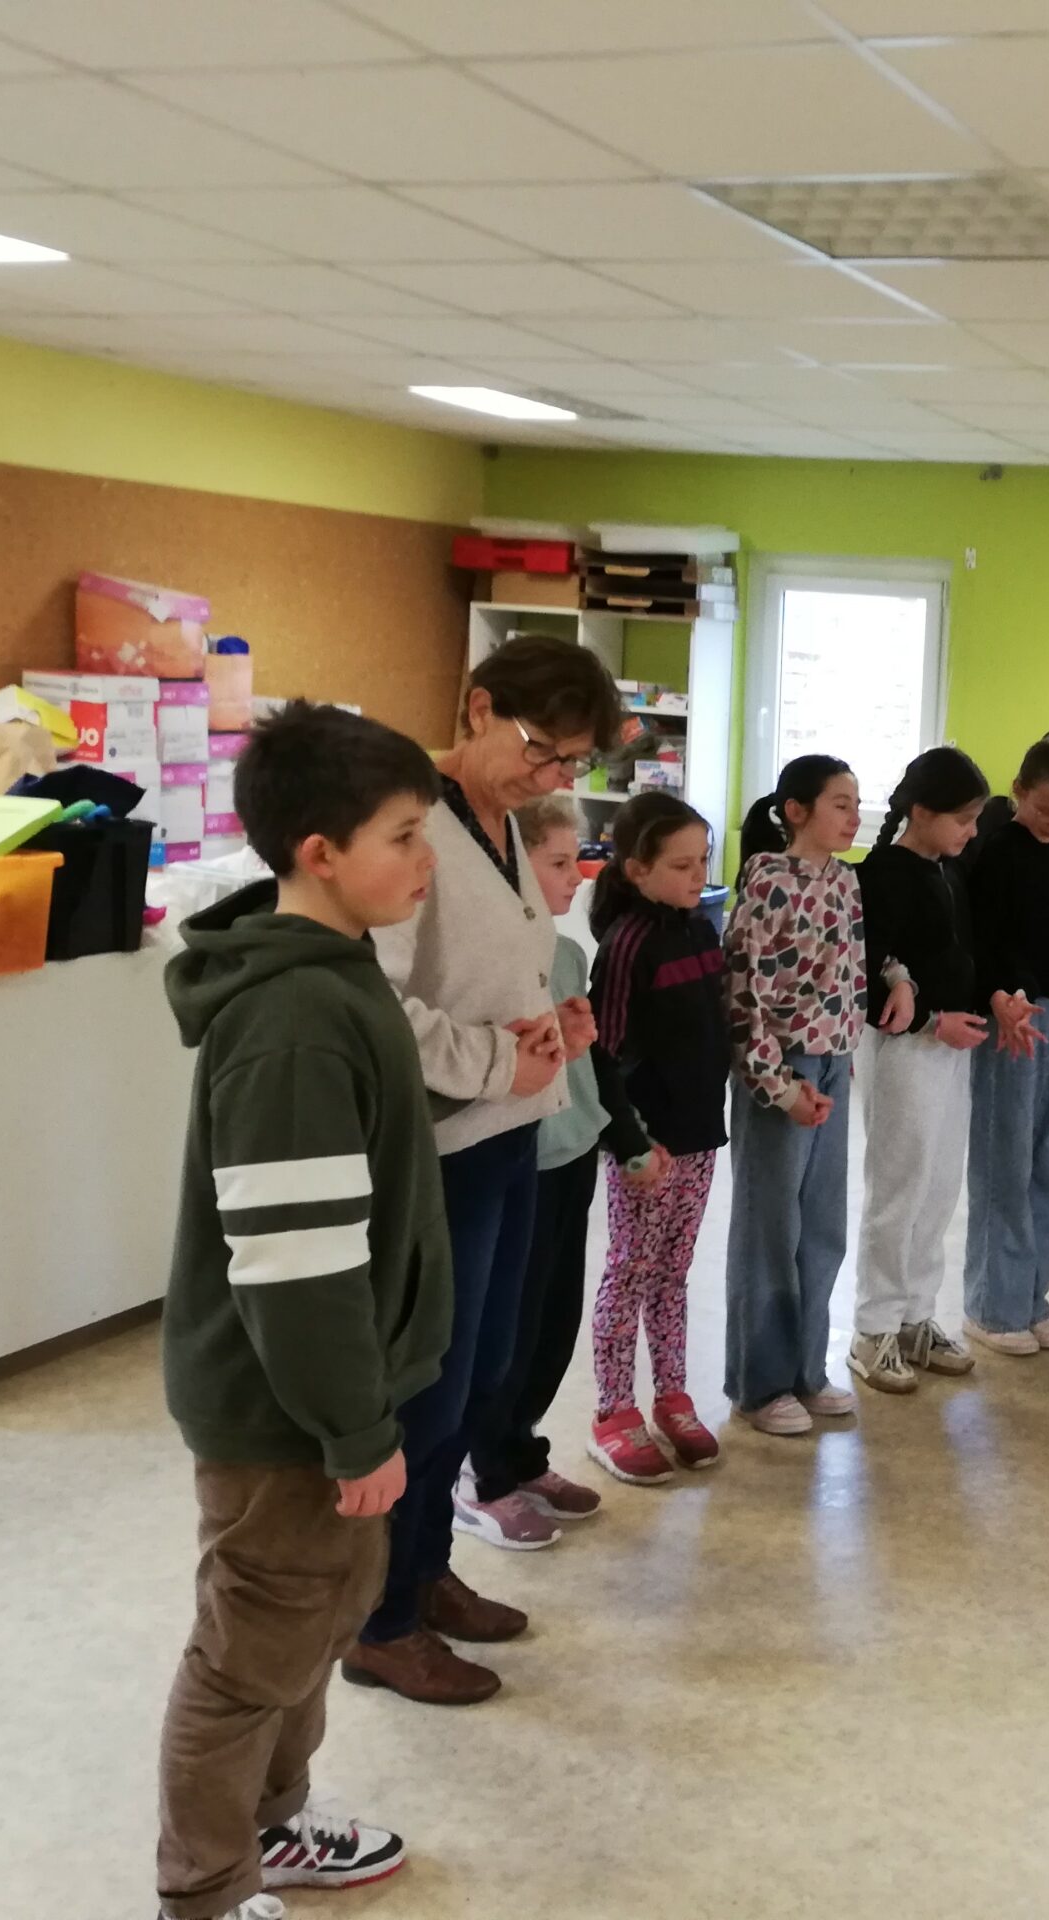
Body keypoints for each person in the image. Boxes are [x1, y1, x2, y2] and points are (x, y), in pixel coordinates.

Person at [154, 703, 444, 1920]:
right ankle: (205, 1892)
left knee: (316, 1624)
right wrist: (352, 1428)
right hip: (288, 1412)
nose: (426, 861)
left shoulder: (336, 973)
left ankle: (274, 1827)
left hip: (333, 1397)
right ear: (319, 853)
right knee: (248, 1658)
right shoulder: (291, 1022)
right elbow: (295, 1265)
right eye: (403, 837)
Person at [345, 635, 617, 1706]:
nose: (550, 776)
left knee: (482, 1370)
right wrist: (501, 1059)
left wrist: (553, 1024)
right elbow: (381, 1004)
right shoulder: (410, 824)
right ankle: (383, 1621)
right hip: (443, 1150)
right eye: (541, 748)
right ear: (477, 708)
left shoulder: (500, 820)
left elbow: (492, 974)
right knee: (431, 1386)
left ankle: (427, 1572)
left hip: (508, 1135)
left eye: (572, 764)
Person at [462, 795, 610, 1523]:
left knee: (553, 1322)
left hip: (572, 1150)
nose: (575, 876)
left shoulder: (569, 955)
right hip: (520, 1155)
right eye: (557, 862)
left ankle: (522, 1451)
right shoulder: (485, 960)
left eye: (574, 859)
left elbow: (584, 1065)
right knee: (507, 1332)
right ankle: (482, 1476)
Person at [584, 792, 729, 1484]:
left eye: (703, 860)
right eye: (680, 864)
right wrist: (630, 1143)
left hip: (699, 1138)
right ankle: (613, 1411)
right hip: (647, 1149)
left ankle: (673, 1395)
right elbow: (602, 1055)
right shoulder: (627, 944)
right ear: (637, 869)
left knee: (673, 1273)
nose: (697, 875)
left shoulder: (700, 930)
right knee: (630, 1272)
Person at [724, 754, 866, 1435]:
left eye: (857, 804)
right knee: (770, 1229)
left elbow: (851, 973)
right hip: (781, 1070)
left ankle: (809, 1369)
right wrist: (779, 1088)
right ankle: (761, 1384)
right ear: (796, 810)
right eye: (841, 803)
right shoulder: (766, 881)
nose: (854, 817)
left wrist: (846, 1050)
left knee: (822, 1226)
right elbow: (742, 995)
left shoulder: (846, 881)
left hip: (834, 1063)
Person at [850, 746, 992, 1394]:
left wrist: (992, 1003)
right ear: (923, 811)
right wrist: (933, 1020)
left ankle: (914, 1316)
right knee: (899, 1188)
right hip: (905, 1050)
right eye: (963, 819)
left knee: (938, 1188)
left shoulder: (947, 871)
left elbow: (955, 956)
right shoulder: (883, 871)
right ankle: (873, 1328)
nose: (972, 832)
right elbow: (870, 972)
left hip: (950, 1050)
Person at [960, 733, 1049, 1357]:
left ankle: (1030, 1297)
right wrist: (1000, 996)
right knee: (1004, 1164)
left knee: (1048, 1166)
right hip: (1011, 1019)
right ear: (1017, 792)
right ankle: (992, 1306)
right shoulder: (994, 850)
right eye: (1045, 810)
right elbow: (982, 941)